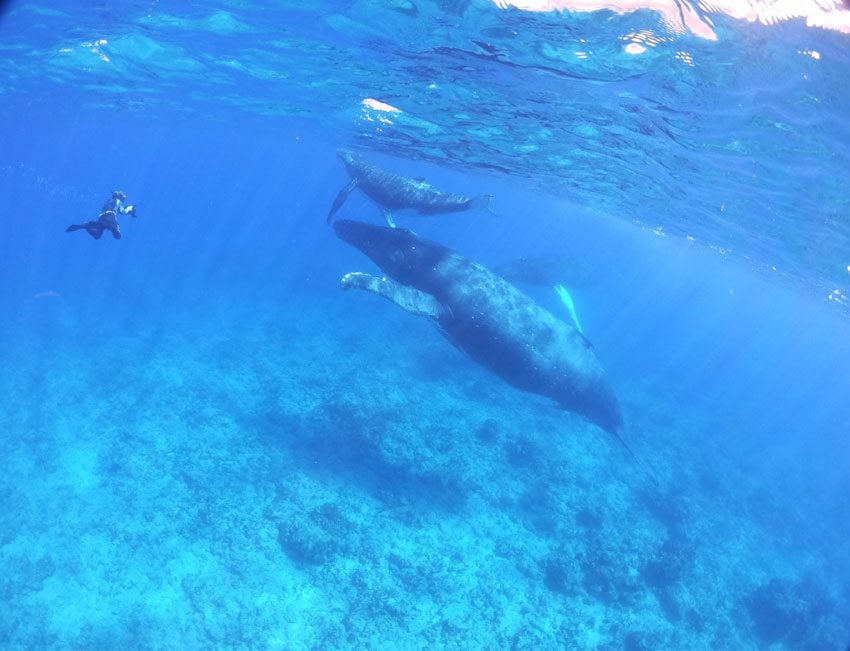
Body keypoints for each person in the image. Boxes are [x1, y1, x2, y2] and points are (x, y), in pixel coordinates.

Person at [66, 190, 137, 240]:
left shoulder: (108, 201)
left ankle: (86, 226)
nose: (123, 200)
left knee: (97, 236)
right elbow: (123, 212)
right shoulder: (118, 201)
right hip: (111, 216)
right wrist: (131, 209)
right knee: (117, 236)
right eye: (123, 198)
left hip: (102, 217)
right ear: (119, 197)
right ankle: (88, 226)